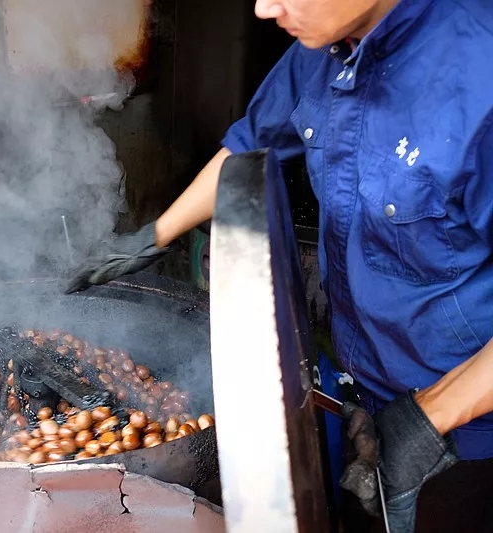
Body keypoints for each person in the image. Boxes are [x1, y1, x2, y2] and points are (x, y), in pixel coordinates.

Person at [64, 1, 493, 532]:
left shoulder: (480, 76)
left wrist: (430, 416)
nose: (265, 8)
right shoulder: (321, 51)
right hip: (368, 391)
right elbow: (248, 147)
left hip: (470, 435)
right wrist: (152, 237)